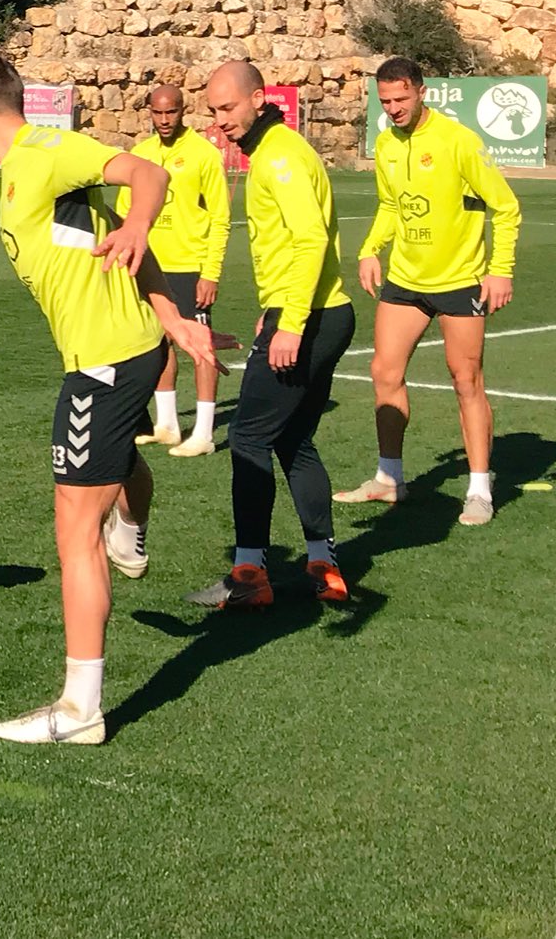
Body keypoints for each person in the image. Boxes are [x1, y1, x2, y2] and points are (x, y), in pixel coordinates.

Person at [0, 54, 214, 745]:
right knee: (112, 481)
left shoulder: (44, 151)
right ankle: (132, 532)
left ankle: (80, 709)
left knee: (73, 533)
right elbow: (108, 229)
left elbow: (148, 177)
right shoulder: (25, 170)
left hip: (104, 363)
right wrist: (173, 317)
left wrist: (143, 228)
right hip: (128, 346)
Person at [187, 61, 356, 609]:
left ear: (258, 99)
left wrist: (291, 321)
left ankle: (250, 574)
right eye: (213, 111)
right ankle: (324, 566)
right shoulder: (279, 150)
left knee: (249, 439)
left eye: (228, 108)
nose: (220, 121)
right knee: (293, 440)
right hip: (321, 312)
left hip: (309, 318)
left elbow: (309, 243)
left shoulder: (280, 156)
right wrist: (275, 308)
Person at [338, 56, 521, 525]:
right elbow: (388, 205)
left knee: (466, 381)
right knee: (384, 372)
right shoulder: (385, 142)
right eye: (385, 101)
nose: (393, 109)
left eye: (401, 99)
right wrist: (370, 248)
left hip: (460, 281)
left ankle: (480, 489)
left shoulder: (458, 141)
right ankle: (388, 478)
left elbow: (505, 206)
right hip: (405, 279)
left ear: (422, 91)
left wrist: (499, 270)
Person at [119, 84, 231, 456]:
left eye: (171, 112)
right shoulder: (141, 155)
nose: (164, 120)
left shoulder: (204, 154)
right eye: (158, 113)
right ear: (148, 112)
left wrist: (210, 272)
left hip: (189, 266)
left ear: (183, 111)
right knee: (158, 342)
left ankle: (203, 433)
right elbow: (125, 212)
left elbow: (220, 217)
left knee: (199, 346)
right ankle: (166, 424)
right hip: (150, 265)